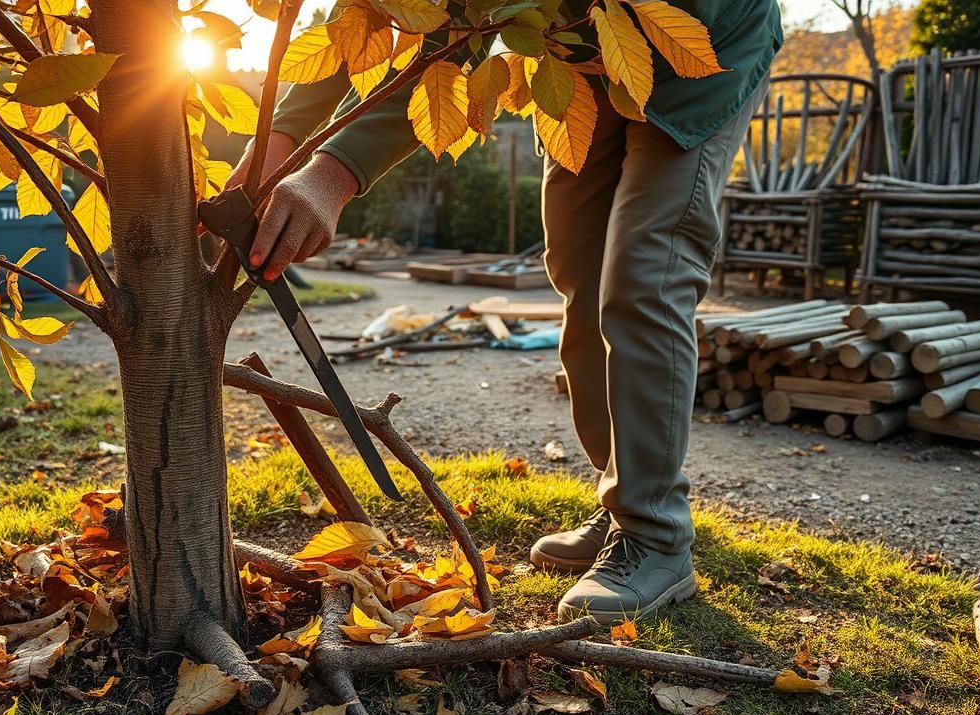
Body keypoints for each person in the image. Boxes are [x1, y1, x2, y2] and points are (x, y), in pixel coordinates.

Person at [229, 0, 783, 624]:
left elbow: (461, 34)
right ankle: (622, 495)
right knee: (579, 264)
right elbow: (358, 26)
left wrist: (333, 175)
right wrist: (276, 144)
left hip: (696, 45)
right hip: (578, 54)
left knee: (645, 275)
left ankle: (655, 536)